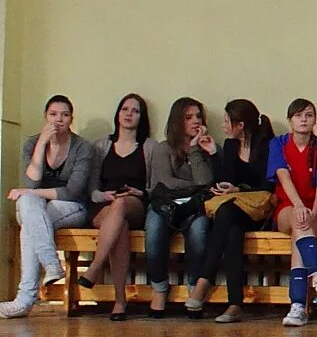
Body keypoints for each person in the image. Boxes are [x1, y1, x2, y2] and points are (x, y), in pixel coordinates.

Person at [2, 95, 97, 318]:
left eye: (64, 115)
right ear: (45, 116)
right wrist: (42, 144)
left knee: (29, 216)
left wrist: (30, 193)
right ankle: (51, 264)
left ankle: (24, 300)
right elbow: (31, 181)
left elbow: (72, 191)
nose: (59, 120)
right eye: (53, 114)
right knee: (29, 209)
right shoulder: (32, 143)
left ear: (71, 118)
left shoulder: (82, 147)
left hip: (72, 207)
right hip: (39, 209)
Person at [186, 99, 274, 323]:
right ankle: (235, 304)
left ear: (241, 125)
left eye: (227, 121)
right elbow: (225, 179)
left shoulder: (267, 146)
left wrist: (240, 189)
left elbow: (269, 184)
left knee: (226, 213)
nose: (223, 126)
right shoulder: (231, 145)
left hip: (258, 210)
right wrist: (214, 153)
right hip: (236, 210)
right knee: (232, 230)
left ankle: (203, 281)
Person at [268, 98, 317, 327]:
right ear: (290, 120)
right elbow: (283, 176)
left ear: (315, 120)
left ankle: (298, 306)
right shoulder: (278, 144)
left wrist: (311, 212)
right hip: (288, 207)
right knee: (298, 222)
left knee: (301, 230)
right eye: (298, 115)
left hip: (316, 210)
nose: (303, 120)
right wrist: (299, 206)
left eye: (308, 115)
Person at [144, 97, 215, 317]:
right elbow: (164, 182)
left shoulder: (207, 147)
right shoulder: (163, 148)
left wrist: (195, 150)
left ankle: (194, 290)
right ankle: (159, 288)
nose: (195, 121)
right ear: (177, 121)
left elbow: (208, 180)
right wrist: (197, 186)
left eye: (198, 116)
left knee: (199, 231)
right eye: (188, 117)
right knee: (154, 230)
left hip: (195, 206)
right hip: (164, 204)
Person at [83, 94, 152, 320]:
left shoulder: (149, 147)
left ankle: (95, 267)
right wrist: (104, 195)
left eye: (135, 110)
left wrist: (139, 192)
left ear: (142, 117)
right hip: (103, 205)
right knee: (118, 225)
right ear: (118, 114)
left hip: (135, 203)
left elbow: (154, 189)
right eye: (125, 109)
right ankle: (120, 300)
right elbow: (91, 189)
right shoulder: (102, 146)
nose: (129, 114)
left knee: (121, 205)